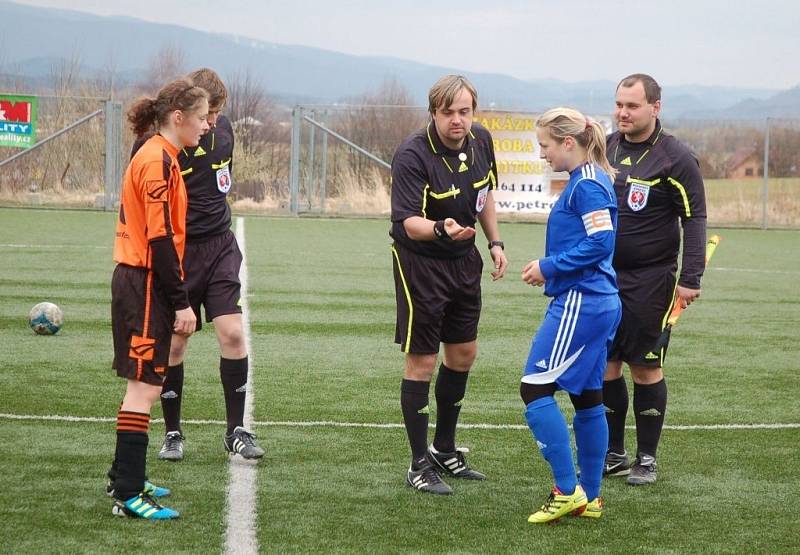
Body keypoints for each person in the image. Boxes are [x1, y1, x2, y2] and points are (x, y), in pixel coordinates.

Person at [390, 74, 508, 495]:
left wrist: (494, 241)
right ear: (433, 112)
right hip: (421, 263)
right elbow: (407, 222)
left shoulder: (481, 140)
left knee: (463, 354)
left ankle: (444, 448)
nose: (458, 121)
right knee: (422, 360)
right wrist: (442, 227)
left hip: (464, 260)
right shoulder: (412, 154)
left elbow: (485, 194)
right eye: (448, 113)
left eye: (464, 111)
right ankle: (418, 463)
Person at [149, 68, 264, 462]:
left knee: (232, 333)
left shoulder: (225, 131)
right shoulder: (161, 145)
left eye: (217, 112)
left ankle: (235, 430)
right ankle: (173, 432)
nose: (213, 121)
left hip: (219, 247)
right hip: (179, 252)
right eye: (208, 112)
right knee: (177, 341)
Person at [107, 77, 209, 519]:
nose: (207, 126)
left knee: (143, 386)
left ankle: (123, 476)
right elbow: (160, 237)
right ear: (179, 117)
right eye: (203, 118)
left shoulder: (160, 154)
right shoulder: (158, 161)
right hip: (145, 283)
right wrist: (182, 301)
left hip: (142, 282)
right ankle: (129, 494)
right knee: (145, 389)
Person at [603, 74, 707, 485]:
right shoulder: (606, 148)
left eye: (632, 105)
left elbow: (695, 217)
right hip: (604, 277)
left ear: (655, 107)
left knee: (644, 368)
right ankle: (614, 452)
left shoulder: (676, 157)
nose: (623, 113)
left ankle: (646, 458)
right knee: (606, 368)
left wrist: (691, 276)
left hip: (652, 280)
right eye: (619, 105)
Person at [520, 107, 620, 523]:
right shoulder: (586, 181)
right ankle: (591, 496)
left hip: (583, 300)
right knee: (587, 395)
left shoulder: (588, 185)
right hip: (597, 301)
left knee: (534, 389)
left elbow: (601, 243)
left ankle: (566, 490)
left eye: (544, 145)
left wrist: (549, 266)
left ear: (567, 142)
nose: (542, 154)